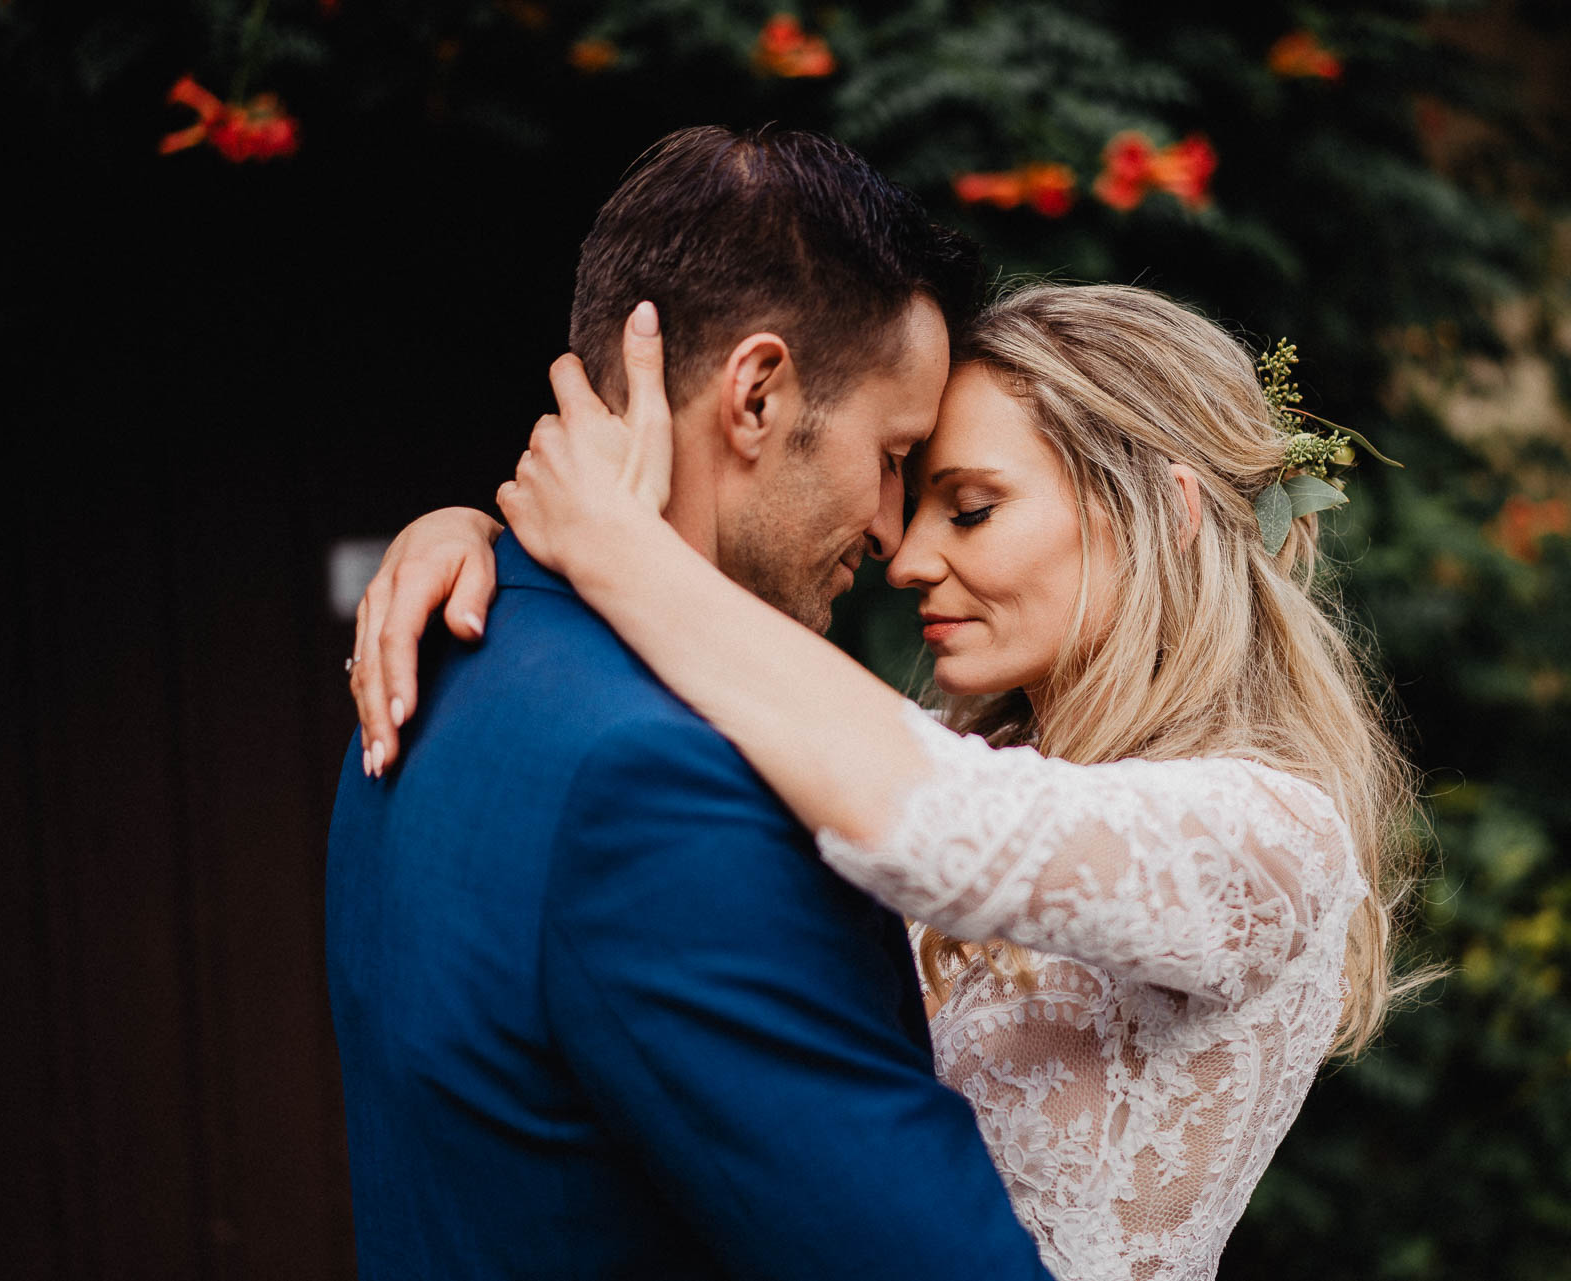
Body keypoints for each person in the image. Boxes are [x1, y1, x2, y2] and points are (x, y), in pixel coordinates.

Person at [353, 280, 1426, 1281]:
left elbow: (929, 819)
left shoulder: (1276, 833)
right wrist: (477, 540)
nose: (905, 557)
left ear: (1168, 515)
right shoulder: (952, 752)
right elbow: (784, 721)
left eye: (969, 509)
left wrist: (620, 552)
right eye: (913, 501)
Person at [325, 125, 1056, 1281]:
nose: (888, 528)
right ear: (757, 394)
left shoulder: (439, 653)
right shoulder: (665, 789)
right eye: (892, 454)